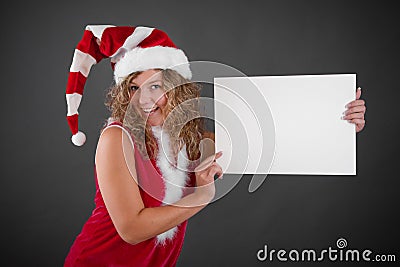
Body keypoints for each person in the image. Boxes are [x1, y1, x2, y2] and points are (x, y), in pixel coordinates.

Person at [63, 25, 366, 267]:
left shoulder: (185, 136)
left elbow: (264, 135)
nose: (144, 100)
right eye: (134, 88)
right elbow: (131, 229)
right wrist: (201, 196)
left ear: (175, 87)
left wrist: (339, 119)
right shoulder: (117, 138)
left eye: (155, 85)